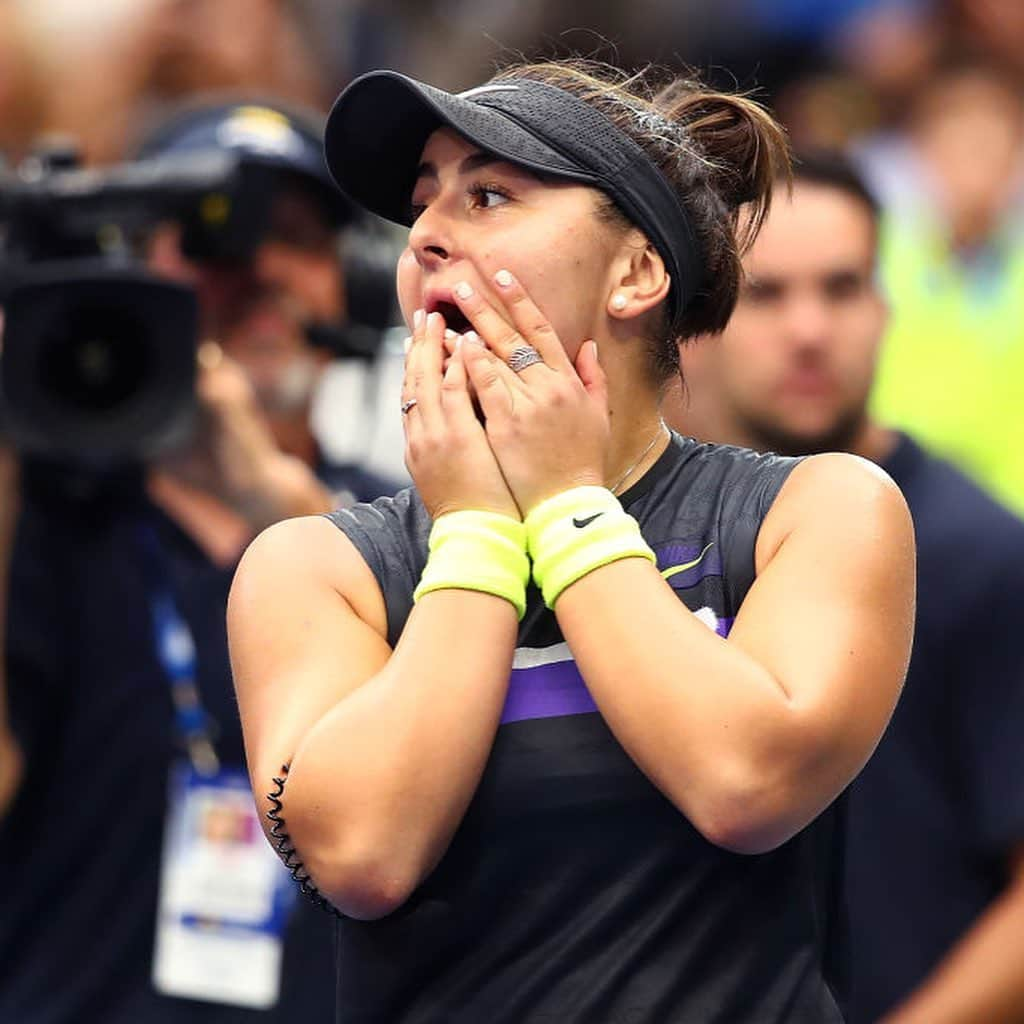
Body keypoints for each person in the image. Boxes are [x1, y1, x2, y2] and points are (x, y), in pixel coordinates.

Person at [228, 62, 915, 1023]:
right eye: (424, 205)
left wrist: (564, 505)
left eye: (488, 195)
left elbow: (745, 785)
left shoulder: (817, 510)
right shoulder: (314, 567)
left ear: (635, 273)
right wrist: (475, 534)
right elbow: (362, 856)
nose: (425, 234)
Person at [0, 100, 400, 1023]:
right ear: (133, 274)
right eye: (207, 240)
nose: (256, 268)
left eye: (292, 236)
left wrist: (265, 489)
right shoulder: (41, 519)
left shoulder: (403, 519)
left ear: (355, 284)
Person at [669, 150, 1024, 1024]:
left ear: (885, 305)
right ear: (696, 318)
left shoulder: (980, 553)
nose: (810, 330)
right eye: (768, 294)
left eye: (842, 288)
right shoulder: (634, 543)